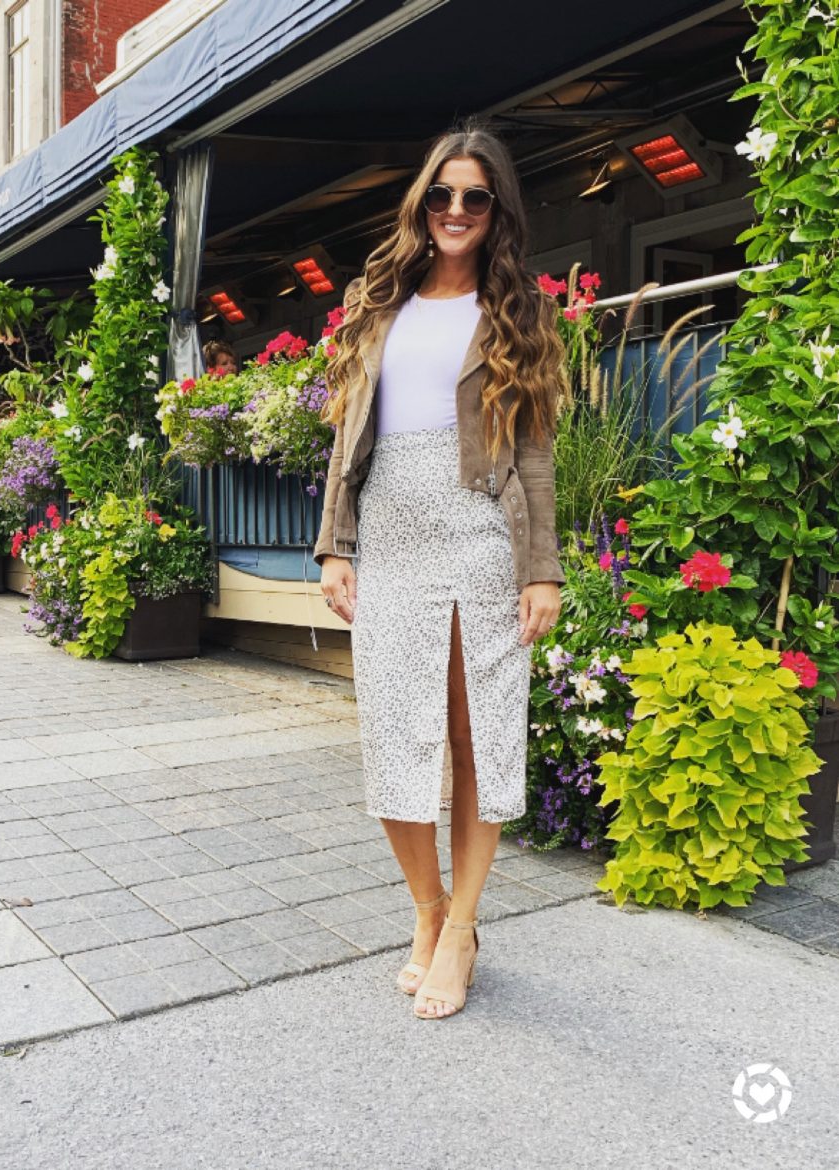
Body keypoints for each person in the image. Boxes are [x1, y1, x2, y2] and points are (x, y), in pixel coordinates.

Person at [314, 122, 565, 1020]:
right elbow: (350, 436)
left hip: (479, 536)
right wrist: (335, 545)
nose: (456, 210)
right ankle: (426, 909)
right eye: (442, 194)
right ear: (422, 204)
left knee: (473, 737)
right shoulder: (376, 300)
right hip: (388, 533)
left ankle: (461, 929)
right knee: (395, 737)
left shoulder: (520, 315)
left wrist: (544, 570)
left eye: (476, 197)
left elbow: (534, 454)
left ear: (497, 213)